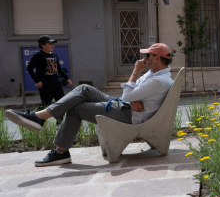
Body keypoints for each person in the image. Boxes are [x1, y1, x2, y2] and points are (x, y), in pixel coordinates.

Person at [5, 43, 174, 167]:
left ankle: (60, 151)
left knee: (77, 109)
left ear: (157, 57)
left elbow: (127, 93)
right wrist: (134, 97)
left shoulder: (158, 80)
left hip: (130, 115)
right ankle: (41, 117)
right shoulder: (155, 75)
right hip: (127, 105)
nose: (145, 59)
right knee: (84, 89)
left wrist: (135, 72)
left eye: (148, 56)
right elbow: (132, 93)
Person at [27, 35, 72, 113]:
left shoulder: (54, 55)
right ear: (42, 45)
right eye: (50, 43)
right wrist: (37, 80)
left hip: (56, 82)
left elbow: (59, 69)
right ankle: (37, 120)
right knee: (46, 103)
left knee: (61, 102)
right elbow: (29, 68)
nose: (52, 45)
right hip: (45, 83)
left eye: (53, 44)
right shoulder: (38, 55)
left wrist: (67, 78)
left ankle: (60, 122)